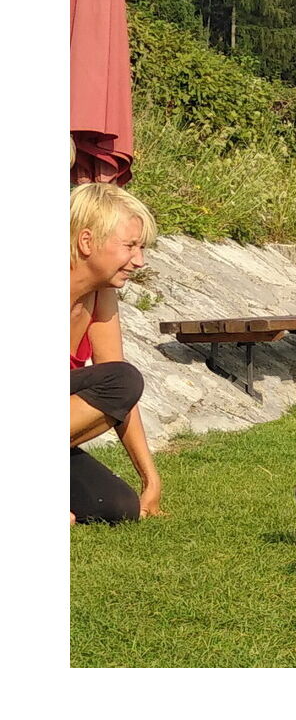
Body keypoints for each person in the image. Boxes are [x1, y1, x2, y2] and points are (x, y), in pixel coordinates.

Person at [70, 182, 162, 524]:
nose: (139, 260)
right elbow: (120, 382)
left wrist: (150, 479)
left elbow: (120, 394)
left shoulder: (100, 295)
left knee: (118, 507)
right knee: (123, 378)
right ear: (87, 241)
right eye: (130, 246)